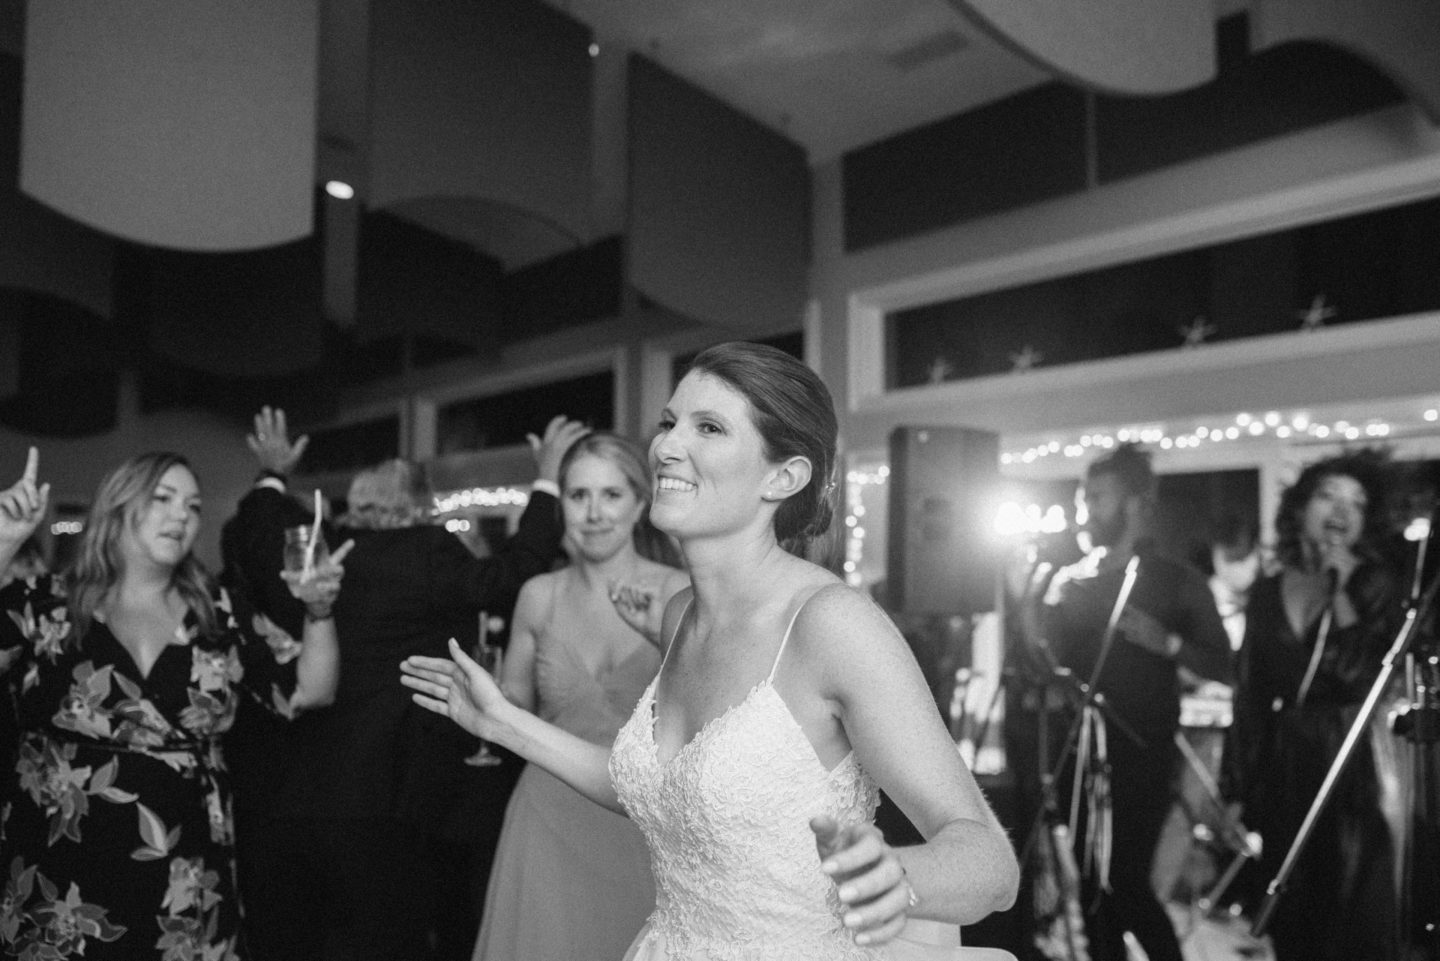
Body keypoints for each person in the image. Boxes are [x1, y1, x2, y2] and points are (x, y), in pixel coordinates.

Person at [403, 341, 1020, 961]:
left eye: (710, 428)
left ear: (783, 477)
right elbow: (661, 797)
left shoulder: (831, 624)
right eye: (669, 422)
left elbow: (992, 867)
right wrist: (500, 722)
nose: (666, 447)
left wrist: (898, 877)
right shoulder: (681, 616)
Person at [221, 407, 588, 961]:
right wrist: (547, 481)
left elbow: (254, 532)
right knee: (389, 934)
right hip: (394, 784)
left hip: (301, 780)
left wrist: (272, 474)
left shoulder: (322, 554)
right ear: (419, 504)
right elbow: (508, 577)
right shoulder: (426, 550)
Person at [0, 448, 347, 960]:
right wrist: (4, 542)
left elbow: (311, 691)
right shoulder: (46, 603)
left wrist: (319, 611)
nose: (181, 515)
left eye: (193, 505)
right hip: (63, 871)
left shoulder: (218, 612)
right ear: (118, 505)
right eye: (163, 498)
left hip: (186, 874)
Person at [473, 431, 687, 961]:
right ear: (562, 505)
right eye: (578, 495)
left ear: (640, 502)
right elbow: (515, 707)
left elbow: (708, 716)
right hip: (546, 817)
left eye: (611, 494)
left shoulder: (678, 592)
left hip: (643, 823)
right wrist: (486, 697)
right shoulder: (539, 595)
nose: (594, 513)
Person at [1031, 443, 1233, 961]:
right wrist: (1022, 596)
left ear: (1137, 505)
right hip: (1080, 753)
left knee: (1125, 878)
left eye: (1098, 498)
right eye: (1083, 498)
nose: (1085, 510)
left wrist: (1167, 643)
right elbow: (1040, 662)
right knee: (1089, 883)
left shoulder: (1174, 580)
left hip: (1142, 751)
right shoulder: (1069, 581)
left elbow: (1224, 664)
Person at [1222, 450, 1403, 961]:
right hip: (1284, 767)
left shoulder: (1375, 586)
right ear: (1301, 508)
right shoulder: (1267, 592)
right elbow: (1250, 694)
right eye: (1328, 495)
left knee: (1348, 910)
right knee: (1290, 910)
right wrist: (1235, 788)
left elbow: (1360, 674)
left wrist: (1342, 591)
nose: (1342, 509)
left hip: (1350, 762)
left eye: (1356, 502)